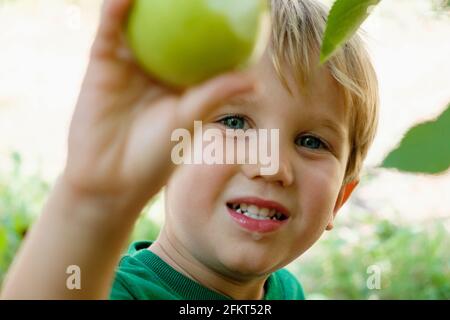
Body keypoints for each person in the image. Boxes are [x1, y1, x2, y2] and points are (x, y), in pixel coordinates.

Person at [1, 0, 379, 300]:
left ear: (340, 199)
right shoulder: (109, 291)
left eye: (311, 142)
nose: (271, 165)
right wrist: (93, 202)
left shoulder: (287, 291)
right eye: (234, 123)